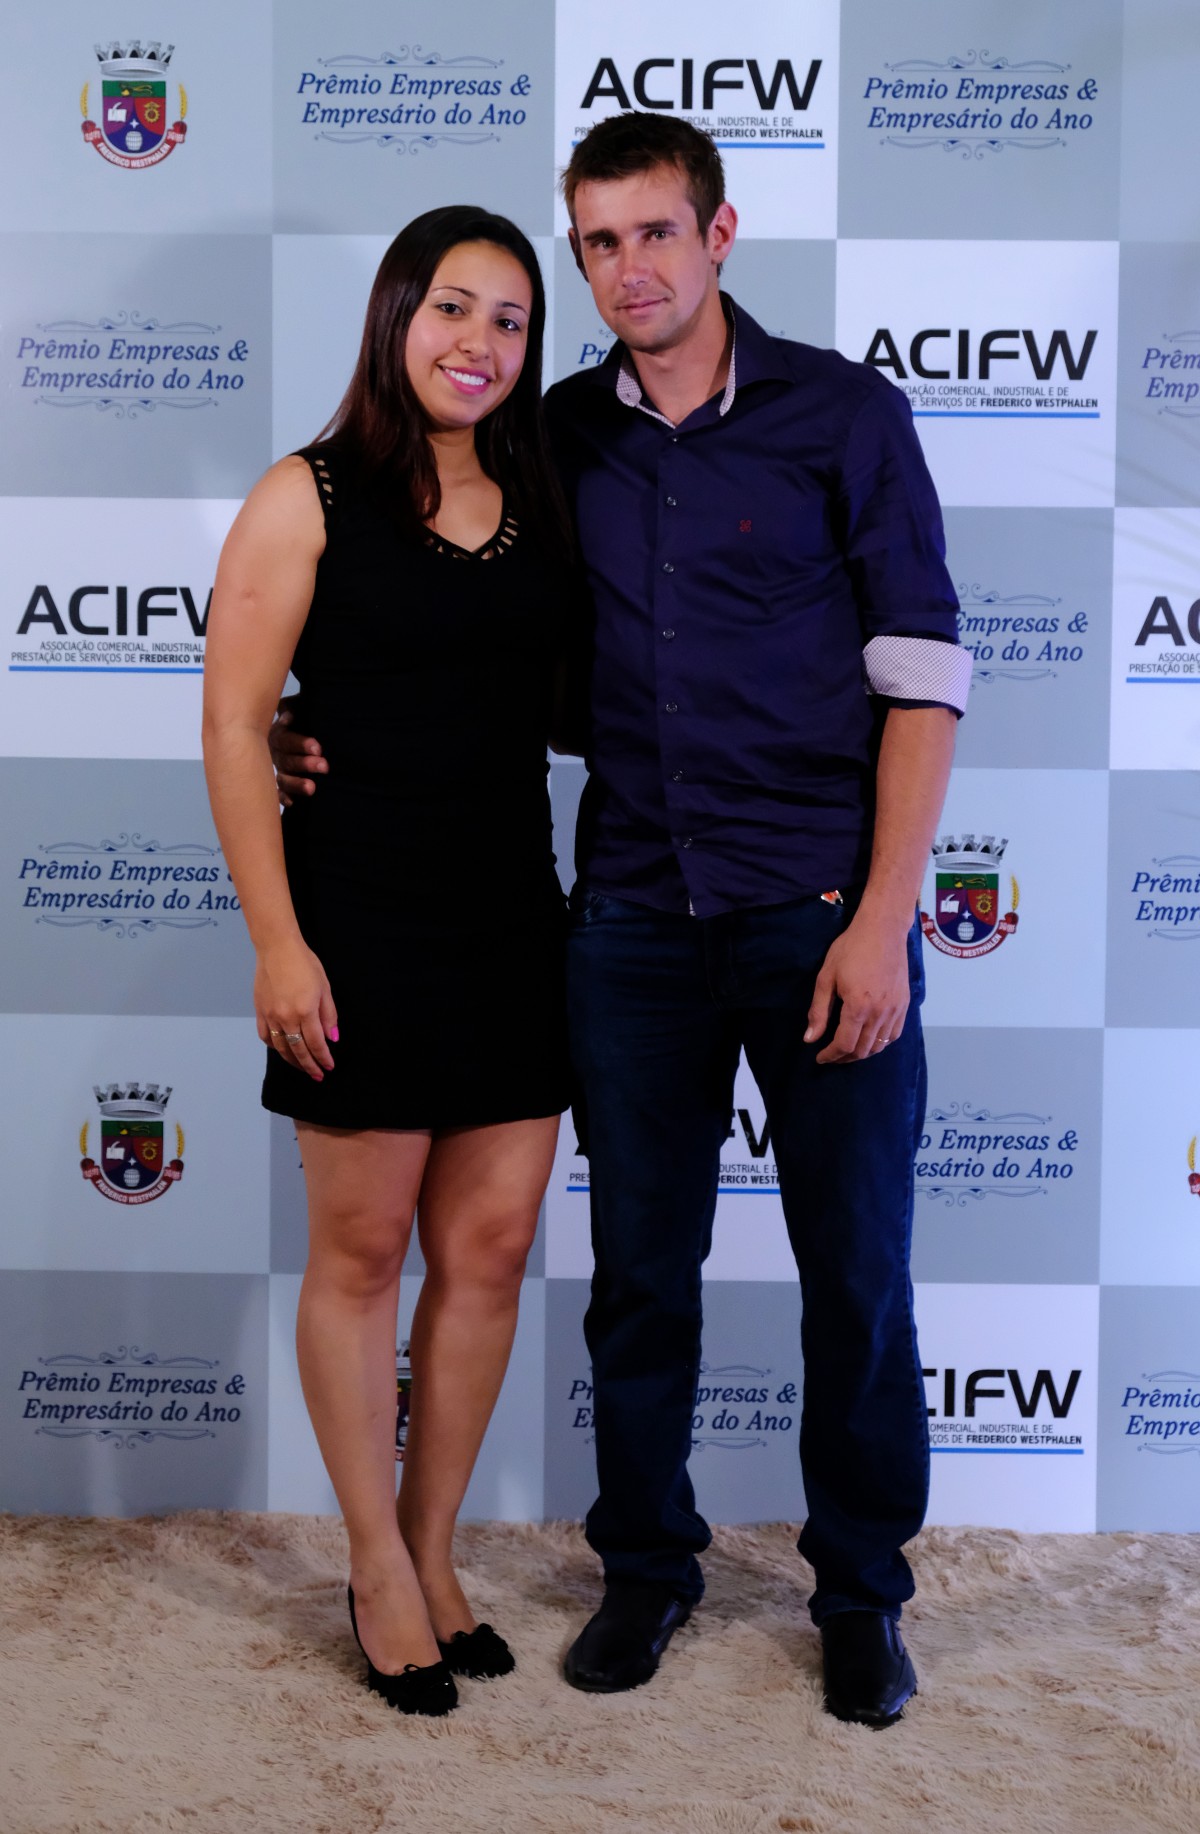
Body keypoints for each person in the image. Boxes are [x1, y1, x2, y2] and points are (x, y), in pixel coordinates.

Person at [273, 114, 971, 1729]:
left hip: (818, 912)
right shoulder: (554, 435)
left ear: (718, 236)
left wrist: (884, 918)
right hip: (633, 918)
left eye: (658, 231)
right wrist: (307, 724)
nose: (630, 267)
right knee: (641, 1272)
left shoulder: (844, 416)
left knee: (857, 1270)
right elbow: (450, 620)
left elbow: (925, 673)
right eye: (599, 241)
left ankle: (862, 1592)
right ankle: (648, 1568)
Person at [203, 206, 576, 1718]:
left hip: (516, 923)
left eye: (510, 320)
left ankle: (433, 1548)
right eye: (452, 307)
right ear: (394, 315)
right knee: (361, 1260)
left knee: (487, 1254)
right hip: (355, 925)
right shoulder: (304, 495)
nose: (479, 343)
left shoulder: (545, 494)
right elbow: (237, 726)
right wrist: (277, 942)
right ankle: (370, 1563)